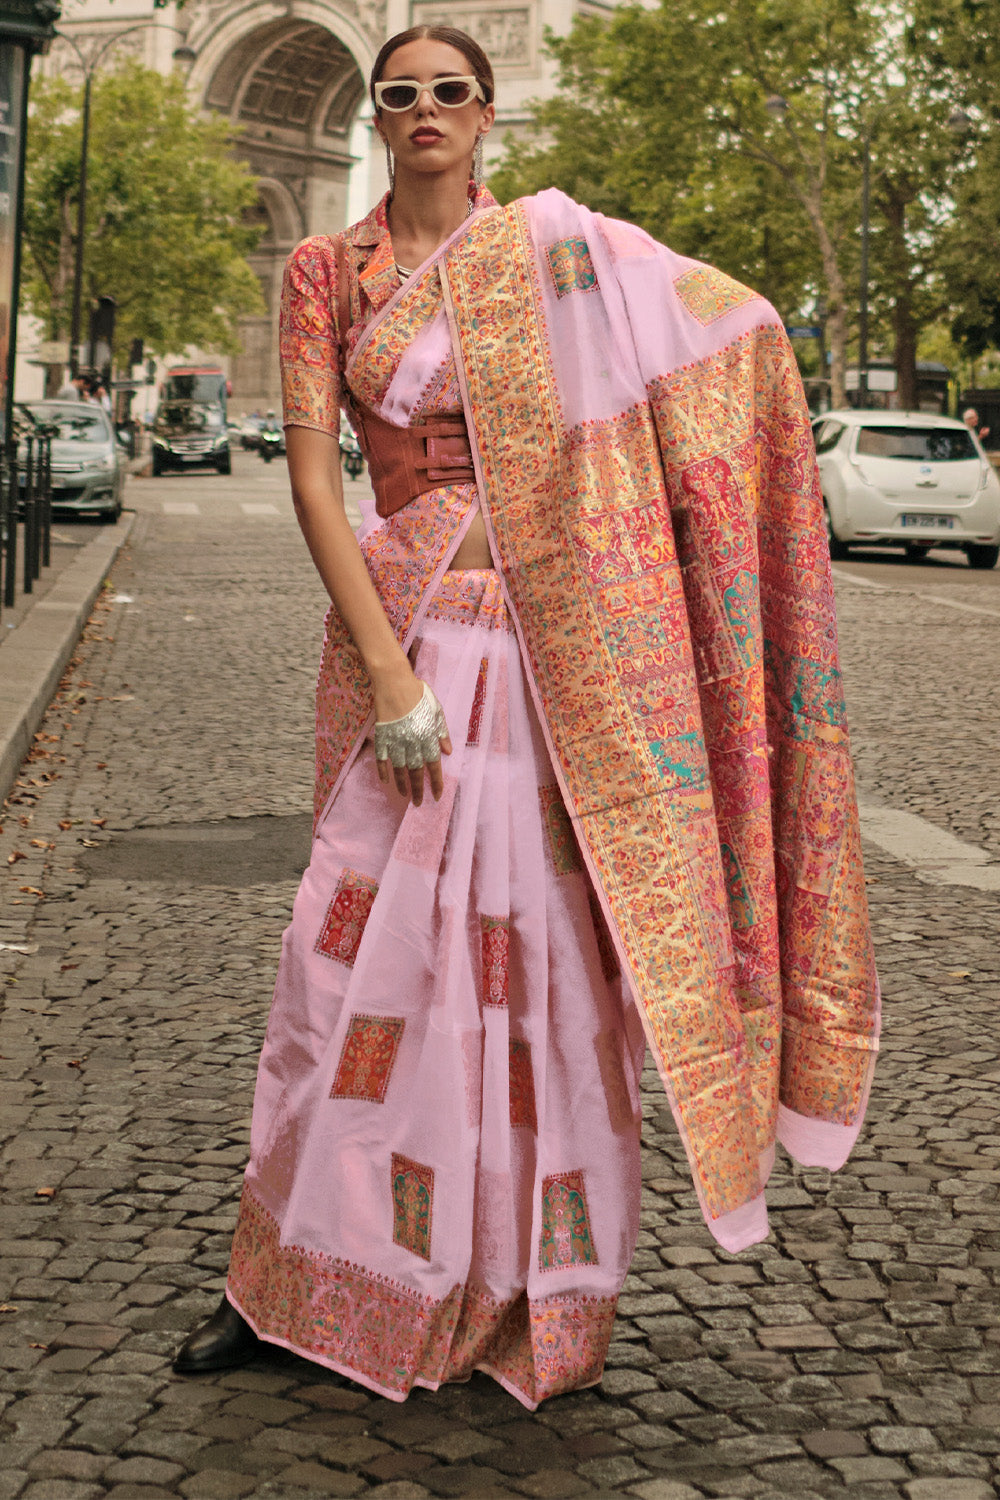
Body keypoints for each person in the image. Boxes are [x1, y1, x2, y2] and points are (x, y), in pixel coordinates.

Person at [174, 25, 879, 1407]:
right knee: (344, 974)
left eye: (450, 91)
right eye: (400, 95)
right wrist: (390, 677)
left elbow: (727, 333)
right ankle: (288, 1278)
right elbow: (316, 485)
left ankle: (514, 1292)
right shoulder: (325, 271)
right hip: (407, 642)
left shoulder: (562, 258)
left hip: (555, 661)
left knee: (539, 979)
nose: (425, 110)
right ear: (376, 118)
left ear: (488, 113)